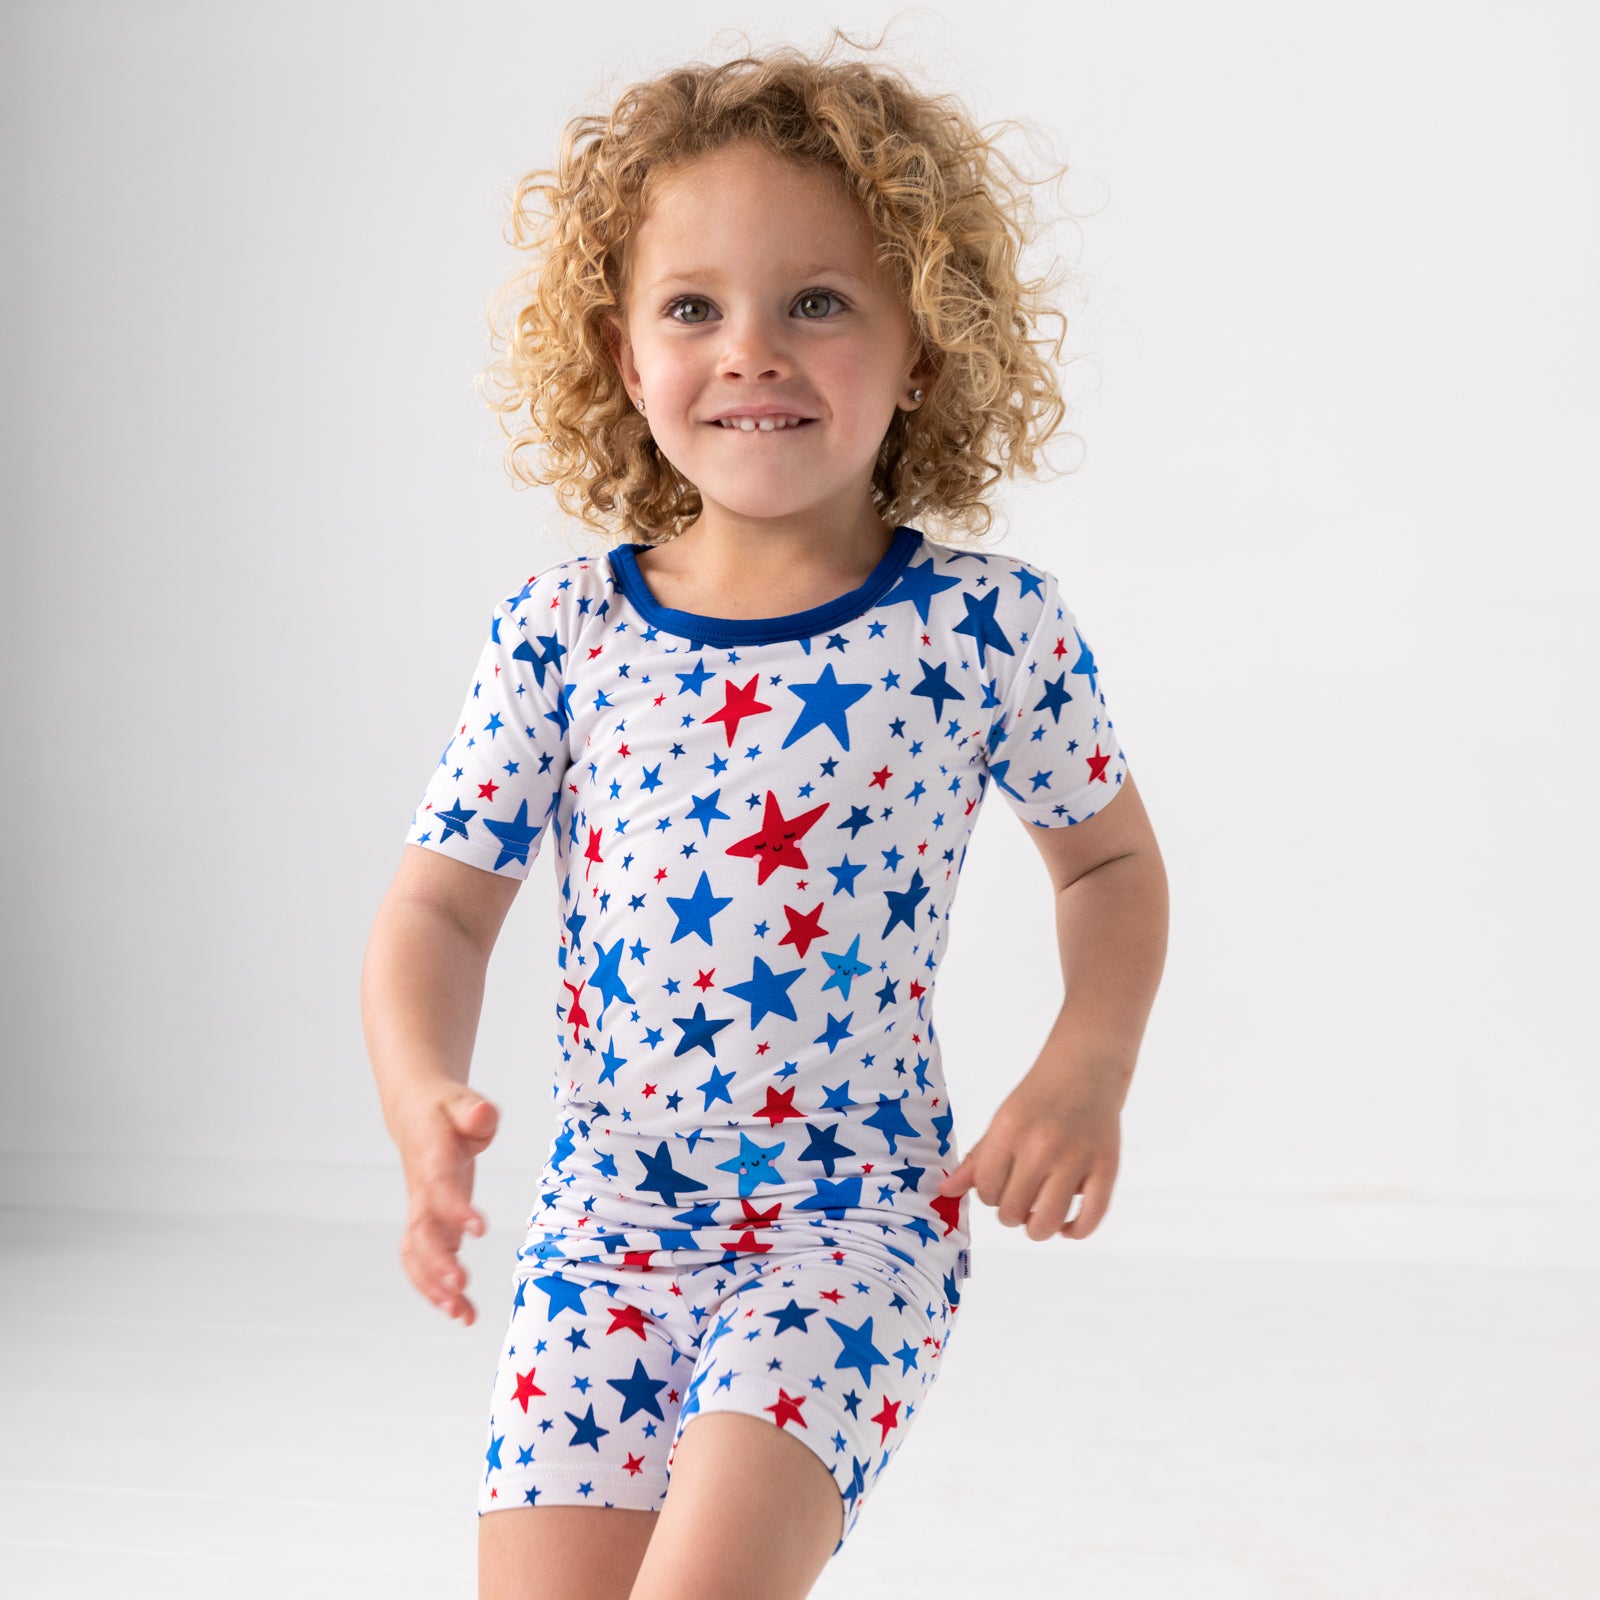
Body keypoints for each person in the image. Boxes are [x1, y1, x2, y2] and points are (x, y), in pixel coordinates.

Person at [362, 27, 1169, 1600]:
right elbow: (440, 904)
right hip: (604, 1228)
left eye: (817, 302)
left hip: (851, 1229)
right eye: (693, 308)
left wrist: (1090, 1062)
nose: (751, 351)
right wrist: (419, 1096)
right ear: (621, 356)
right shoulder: (562, 631)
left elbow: (1111, 862)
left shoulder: (984, 628)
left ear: (923, 345)